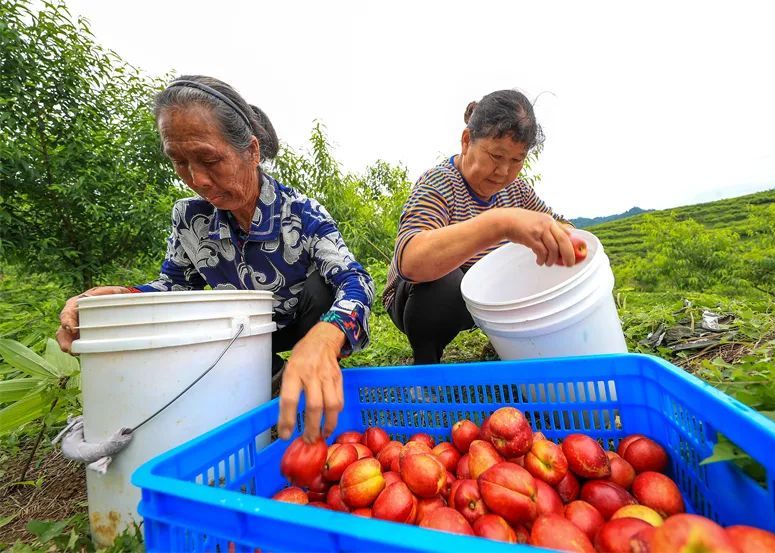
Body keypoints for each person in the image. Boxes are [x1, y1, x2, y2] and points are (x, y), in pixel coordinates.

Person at [56, 75, 374, 442]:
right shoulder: (192, 219)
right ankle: (267, 380)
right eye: (179, 162)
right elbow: (176, 287)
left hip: (299, 322)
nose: (198, 180)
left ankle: (307, 375)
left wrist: (327, 335)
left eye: (209, 160)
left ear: (252, 152)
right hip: (237, 337)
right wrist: (123, 297)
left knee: (322, 287)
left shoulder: (301, 214)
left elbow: (357, 281)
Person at [383, 89, 575, 365]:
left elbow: (559, 226)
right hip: (420, 298)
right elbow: (411, 263)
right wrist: (500, 224)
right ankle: (426, 366)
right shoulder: (439, 183)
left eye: (516, 161)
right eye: (496, 156)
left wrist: (564, 237)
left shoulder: (517, 192)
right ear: (466, 141)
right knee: (443, 284)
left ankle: (517, 351)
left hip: (485, 300)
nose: (503, 172)